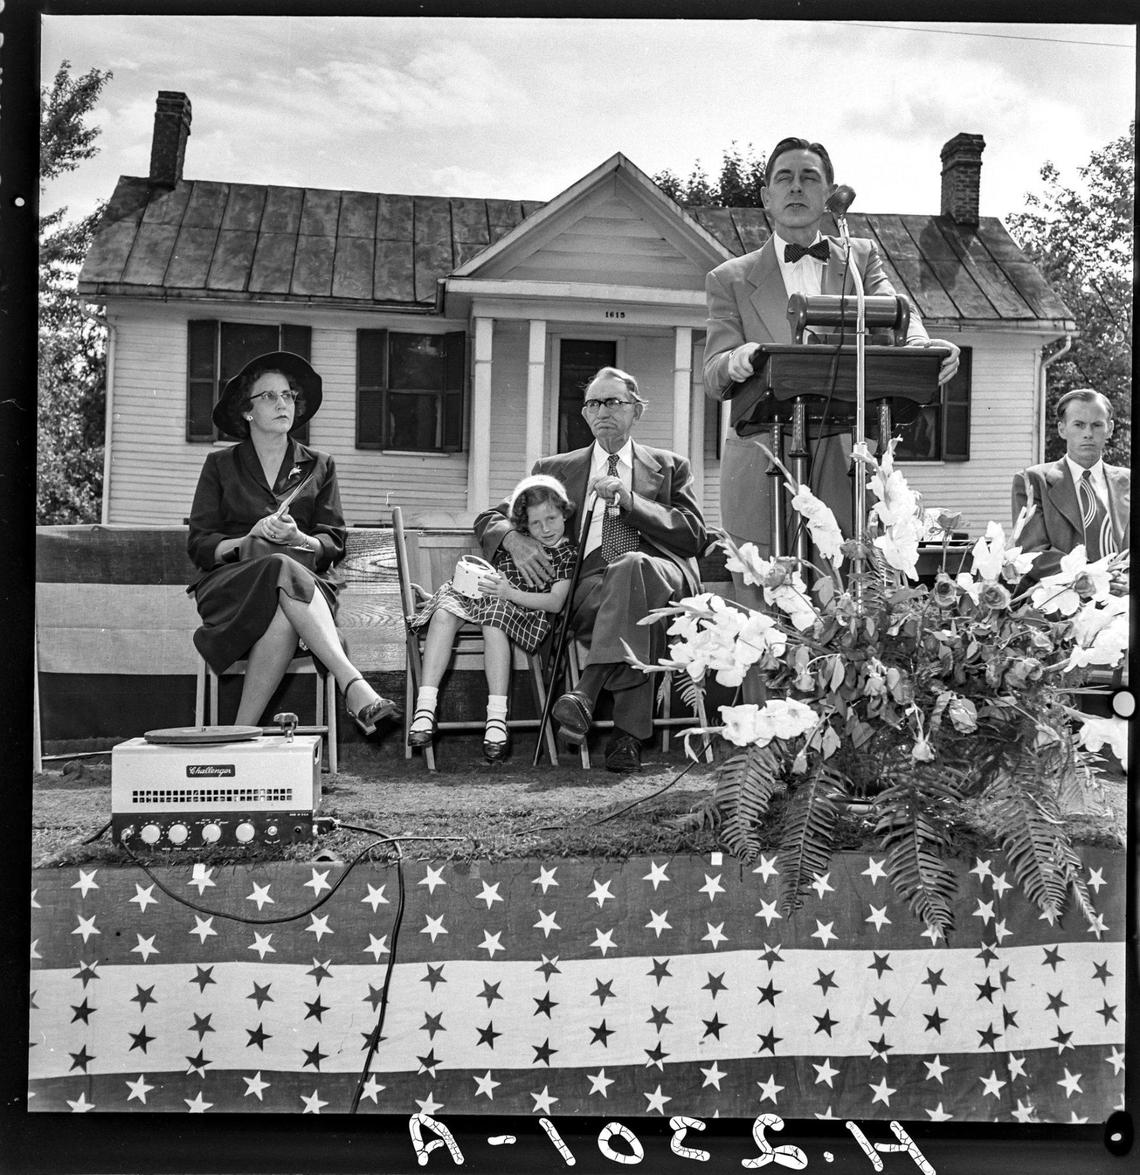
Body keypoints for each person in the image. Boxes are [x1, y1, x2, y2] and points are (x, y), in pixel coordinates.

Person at [703, 135, 961, 606]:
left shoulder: (859, 259)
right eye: (784, 178)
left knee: (848, 600)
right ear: (765, 197)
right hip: (763, 459)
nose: (796, 188)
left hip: (846, 460)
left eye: (809, 178)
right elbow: (713, 371)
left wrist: (925, 348)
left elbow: (900, 314)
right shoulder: (729, 278)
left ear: (829, 193)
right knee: (764, 614)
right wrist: (737, 360)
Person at [475, 367, 706, 774]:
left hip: (659, 578)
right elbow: (491, 518)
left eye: (614, 402)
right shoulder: (555, 468)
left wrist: (632, 501)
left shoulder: (670, 467)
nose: (603, 411)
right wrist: (516, 539)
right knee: (629, 599)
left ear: (636, 410)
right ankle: (626, 738)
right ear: (584, 414)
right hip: (585, 588)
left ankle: (586, 690)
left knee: (633, 568)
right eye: (594, 403)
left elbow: (693, 535)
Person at [187, 352, 399, 735]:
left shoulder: (320, 464)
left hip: (305, 592)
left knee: (284, 595)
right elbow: (200, 544)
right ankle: (353, 684)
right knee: (278, 568)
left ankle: (239, 734)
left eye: (287, 395)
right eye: (268, 396)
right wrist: (247, 540)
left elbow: (333, 542)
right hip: (233, 588)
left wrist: (299, 539)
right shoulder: (220, 466)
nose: (282, 403)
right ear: (246, 411)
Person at [407, 474, 579, 762]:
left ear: (564, 513)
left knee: (493, 622)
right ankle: (425, 708)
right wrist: (434, 597)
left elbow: (554, 602)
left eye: (551, 518)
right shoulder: (520, 541)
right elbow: (482, 581)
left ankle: (496, 718)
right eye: (536, 523)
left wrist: (509, 593)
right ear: (525, 525)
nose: (545, 528)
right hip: (488, 598)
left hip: (521, 609)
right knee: (443, 613)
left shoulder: (565, 555)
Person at [1012, 388, 1129, 583]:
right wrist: (1095, 580)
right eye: (1079, 425)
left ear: (1109, 429)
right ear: (1062, 429)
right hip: (1063, 598)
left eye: (1097, 425)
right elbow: (1033, 553)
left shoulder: (1128, 481)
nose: (1088, 434)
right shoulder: (1034, 481)